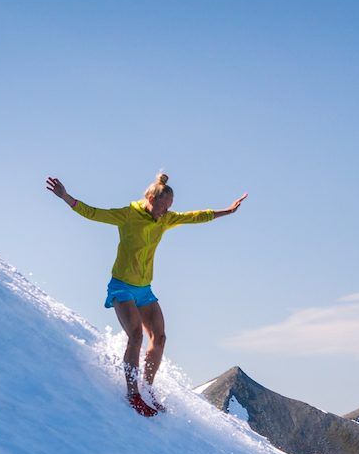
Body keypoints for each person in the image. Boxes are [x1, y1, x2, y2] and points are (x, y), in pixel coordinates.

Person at [43, 172, 247, 415]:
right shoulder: (128, 215)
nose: (165, 212)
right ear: (150, 198)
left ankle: (148, 389)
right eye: (162, 206)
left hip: (144, 289)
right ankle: (133, 393)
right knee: (136, 336)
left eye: (168, 208)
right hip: (122, 286)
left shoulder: (165, 219)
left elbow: (194, 217)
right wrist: (66, 197)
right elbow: (94, 213)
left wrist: (226, 211)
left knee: (160, 338)